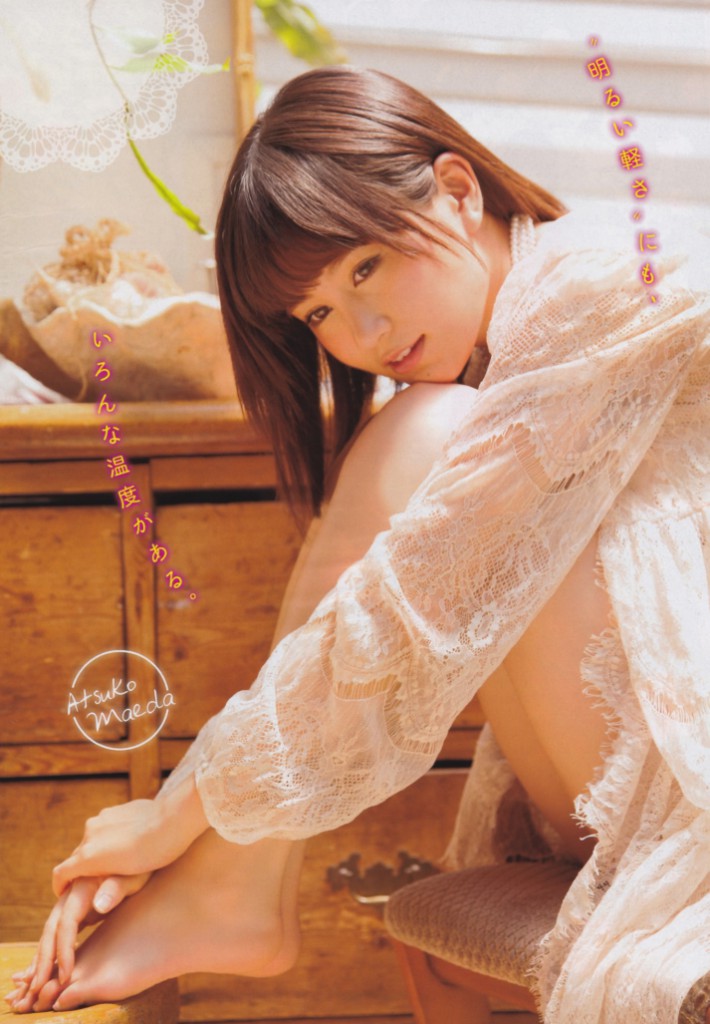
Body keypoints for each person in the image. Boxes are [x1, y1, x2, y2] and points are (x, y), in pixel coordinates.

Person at [5, 66, 709, 1023]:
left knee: (429, 436)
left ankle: (235, 886)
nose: (363, 333)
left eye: (366, 267)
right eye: (320, 313)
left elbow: (406, 588)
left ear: (457, 191)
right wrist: (190, 808)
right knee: (424, 433)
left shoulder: (607, 279)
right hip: (623, 799)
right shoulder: (493, 361)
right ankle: (237, 886)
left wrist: (178, 809)